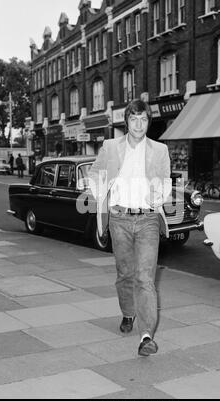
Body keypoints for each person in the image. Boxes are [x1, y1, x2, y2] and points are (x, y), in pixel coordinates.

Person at [89, 99, 172, 357]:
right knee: (125, 274)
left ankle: (146, 336)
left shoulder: (160, 150)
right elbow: (94, 174)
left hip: (147, 219)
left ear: (149, 121)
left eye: (143, 119)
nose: (138, 124)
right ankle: (128, 313)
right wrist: (105, 198)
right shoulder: (111, 146)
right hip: (120, 219)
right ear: (126, 121)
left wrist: (157, 197)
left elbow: (166, 181)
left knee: (145, 278)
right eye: (134, 119)